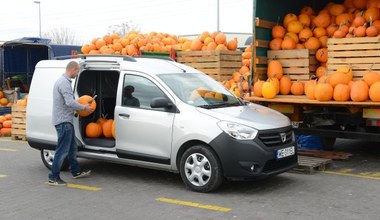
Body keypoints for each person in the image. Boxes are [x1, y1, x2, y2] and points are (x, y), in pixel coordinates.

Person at [48, 61, 94, 186]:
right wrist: (84, 108)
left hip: (65, 120)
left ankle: (75, 171)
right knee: (62, 150)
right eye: (77, 71)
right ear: (72, 69)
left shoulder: (63, 81)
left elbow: (68, 102)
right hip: (63, 122)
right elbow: (69, 102)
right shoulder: (64, 83)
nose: (77, 73)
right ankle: (53, 177)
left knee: (73, 148)